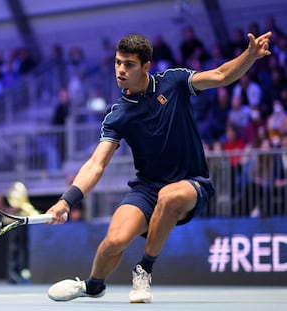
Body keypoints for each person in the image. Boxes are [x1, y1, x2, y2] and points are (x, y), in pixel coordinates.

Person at [46, 31, 272, 303]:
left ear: (146, 66)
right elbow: (96, 163)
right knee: (114, 242)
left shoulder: (174, 82)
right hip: (147, 187)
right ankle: (93, 286)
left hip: (192, 182)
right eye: (118, 62)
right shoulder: (118, 114)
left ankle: (144, 270)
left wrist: (249, 56)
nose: (120, 70)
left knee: (170, 196)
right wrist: (66, 201)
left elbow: (222, 75)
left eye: (128, 64)